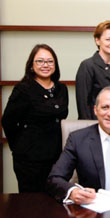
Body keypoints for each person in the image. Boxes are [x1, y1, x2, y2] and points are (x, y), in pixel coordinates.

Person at [2, 44, 69, 193]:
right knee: (33, 205)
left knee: (55, 202)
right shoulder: (23, 89)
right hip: (29, 160)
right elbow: (8, 121)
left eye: (50, 61)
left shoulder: (61, 89)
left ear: (55, 65)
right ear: (31, 65)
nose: (45, 65)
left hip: (56, 157)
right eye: (40, 61)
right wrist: (20, 146)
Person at [75, 20, 110, 119]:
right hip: (94, 124)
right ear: (97, 40)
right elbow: (83, 104)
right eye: (108, 39)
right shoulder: (87, 65)